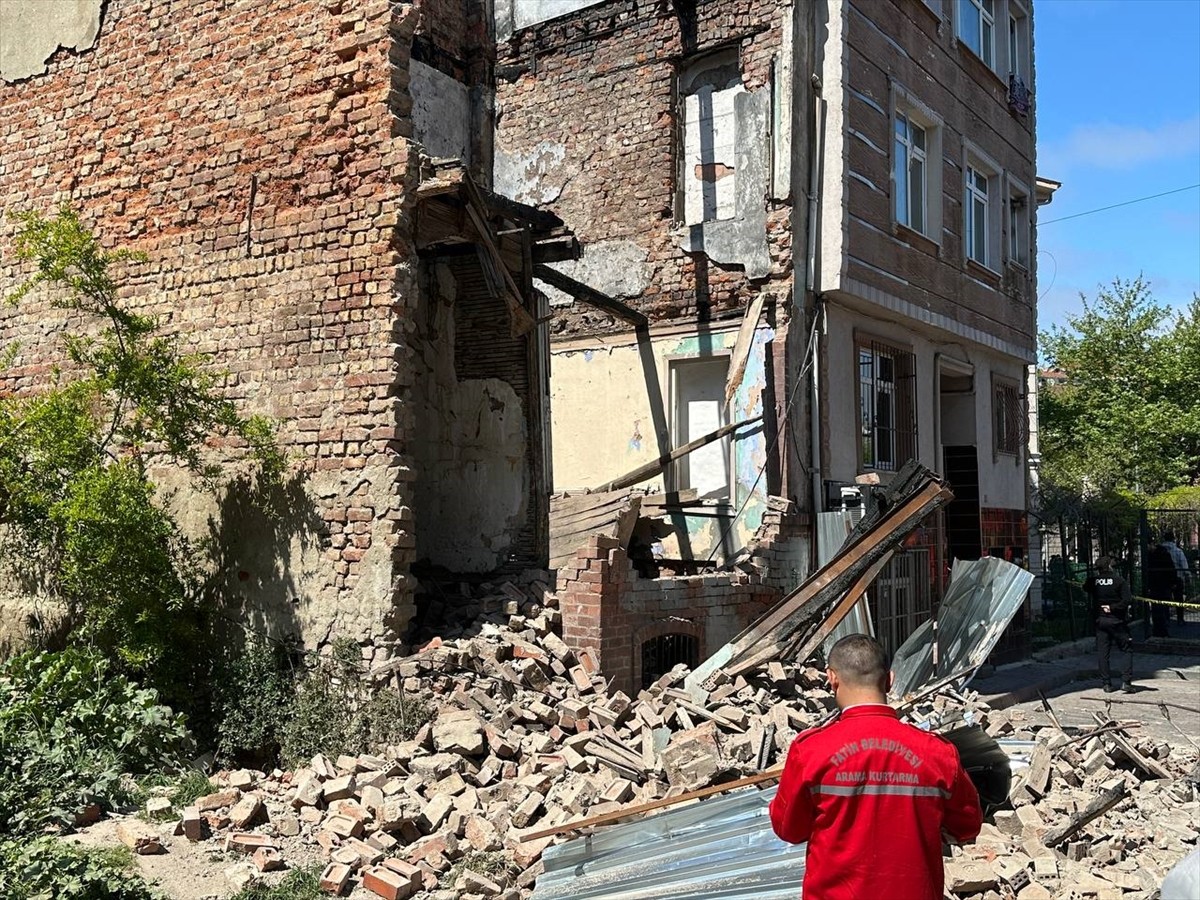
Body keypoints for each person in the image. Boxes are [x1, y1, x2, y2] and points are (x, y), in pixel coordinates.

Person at [769, 634, 982, 900]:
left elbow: (789, 830)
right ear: (890, 680)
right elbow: (967, 826)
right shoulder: (938, 753)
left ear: (832, 678)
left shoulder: (811, 751)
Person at [1085, 556, 1134, 693]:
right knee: (1126, 649)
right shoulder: (1119, 581)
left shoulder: (1093, 581)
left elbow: (1086, 587)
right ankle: (1126, 682)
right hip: (1117, 620)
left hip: (1100, 621)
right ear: (1110, 567)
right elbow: (1127, 600)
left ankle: (1106, 684)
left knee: (1103, 652)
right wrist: (1113, 607)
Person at [1145, 536, 1179, 638]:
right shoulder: (1156, 554)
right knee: (1158, 609)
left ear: (1152, 544)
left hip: (1162, 585)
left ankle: (1162, 630)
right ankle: (1159, 630)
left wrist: (1172, 582)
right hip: (1157, 585)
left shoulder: (1162, 554)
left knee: (1161, 609)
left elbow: (1170, 569)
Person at [1160, 530, 1191, 626]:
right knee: (1179, 599)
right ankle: (1180, 619)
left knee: (1164, 599)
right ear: (1173, 539)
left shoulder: (1160, 551)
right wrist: (1187, 576)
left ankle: (1166, 619)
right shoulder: (1178, 551)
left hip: (1163, 578)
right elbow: (1184, 565)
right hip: (1177, 577)